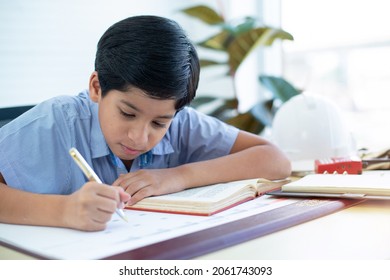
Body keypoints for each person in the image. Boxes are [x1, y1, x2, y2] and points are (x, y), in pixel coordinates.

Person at [0, 15, 291, 231]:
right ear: (96, 87)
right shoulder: (57, 122)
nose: (139, 137)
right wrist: (63, 211)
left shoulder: (181, 124)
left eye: (159, 123)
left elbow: (275, 159)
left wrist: (176, 177)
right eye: (127, 113)